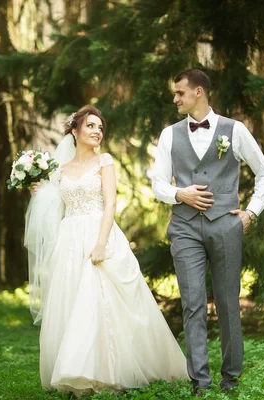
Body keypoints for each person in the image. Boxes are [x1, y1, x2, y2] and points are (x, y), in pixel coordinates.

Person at [25, 105, 189, 397]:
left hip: (100, 232)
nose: (96, 131)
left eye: (100, 127)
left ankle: (109, 371)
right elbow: (55, 207)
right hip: (70, 237)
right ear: (75, 131)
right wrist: (37, 193)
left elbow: (111, 204)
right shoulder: (59, 170)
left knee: (101, 300)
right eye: (90, 126)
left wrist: (101, 243)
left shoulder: (105, 162)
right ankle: (76, 370)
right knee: (73, 301)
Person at [151, 69, 264, 396]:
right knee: (192, 304)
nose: (175, 98)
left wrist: (251, 212)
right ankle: (200, 383)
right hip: (184, 228)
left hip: (226, 226)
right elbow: (157, 183)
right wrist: (180, 194)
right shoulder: (169, 135)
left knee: (228, 303)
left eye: (180, 92)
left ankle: (231, 380)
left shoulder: (234, 130)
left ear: (199, 92)